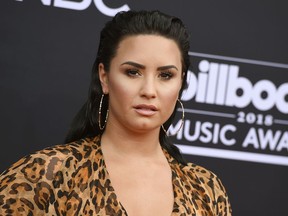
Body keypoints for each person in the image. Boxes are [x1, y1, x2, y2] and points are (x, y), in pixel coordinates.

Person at [0, 10, 232, 215]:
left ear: (181, 83)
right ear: (104, 77)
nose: (149, 90)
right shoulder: (47, 174)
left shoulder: (204, 188)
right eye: (133, 72)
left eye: (165, 75)